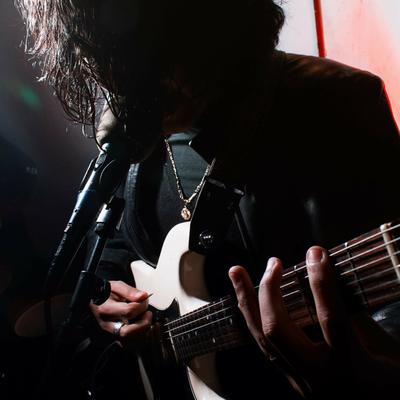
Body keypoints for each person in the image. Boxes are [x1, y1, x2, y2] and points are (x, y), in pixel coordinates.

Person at [16, 0, 400, 399]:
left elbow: (391, 301)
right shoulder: (133, 131)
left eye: (163, 63)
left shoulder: (336, 103)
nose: (151, 92)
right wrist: (106, 297)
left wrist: (366, 379)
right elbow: (119, 243)